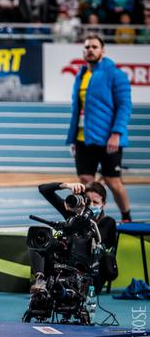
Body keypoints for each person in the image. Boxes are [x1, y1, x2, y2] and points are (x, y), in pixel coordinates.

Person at [67, 34, 132, 222]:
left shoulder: (115, 74)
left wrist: (116, 133)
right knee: (86, 182)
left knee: (113, 181)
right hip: (83, 139)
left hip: (108, 139)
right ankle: (91, 220)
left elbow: (124, 106)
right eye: (87, 47)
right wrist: (73, 138)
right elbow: (77, 109)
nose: (90, 50)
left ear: (102, 50)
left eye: (94, 47)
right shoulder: (81, 75)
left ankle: (127, 218)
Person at [30, 181, 116, 295]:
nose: (92, 206)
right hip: (68, 263)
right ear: (82, 200)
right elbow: (43, 189)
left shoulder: (108, 222)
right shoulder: (73, 213)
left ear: (103, 204)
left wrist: (81, 218)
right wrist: (67, 186)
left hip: (90, 273)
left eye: (96, 202)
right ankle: (40, 280)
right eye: (89, 202)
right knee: (41, 239)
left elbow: (91, 240)